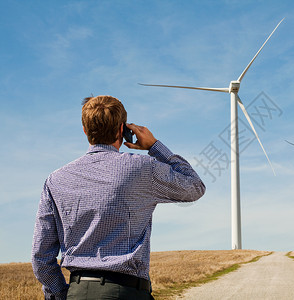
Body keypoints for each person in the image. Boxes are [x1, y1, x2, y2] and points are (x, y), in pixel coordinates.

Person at [31, 95, 206, 300]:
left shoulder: (55, 180)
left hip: (77, 292)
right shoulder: (142, 169)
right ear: (123, 131)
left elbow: (41, 257)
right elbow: (194, 186)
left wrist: (63, 294)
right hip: (126, 292)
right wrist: (154, 145)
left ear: (85, 130)